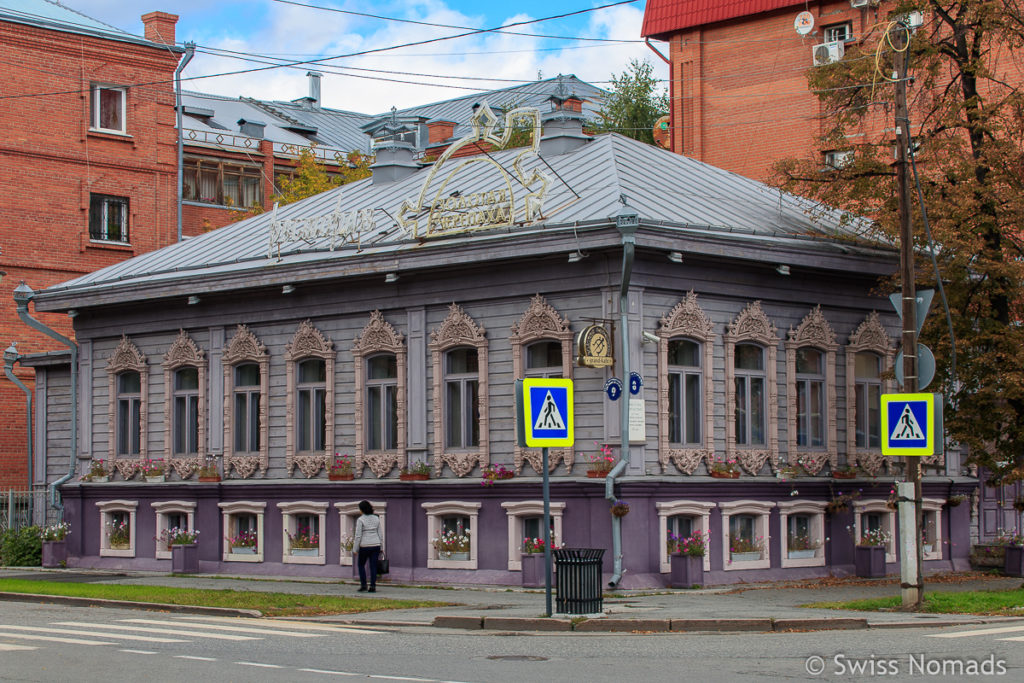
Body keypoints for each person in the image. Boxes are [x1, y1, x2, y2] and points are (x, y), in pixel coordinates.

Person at [352, 499, 384, 592]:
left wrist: (355, 549)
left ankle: (364, 585)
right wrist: (381, 547)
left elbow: (358, 535)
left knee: (361, 565)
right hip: (376, 544)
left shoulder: (360, 520)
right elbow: (380, 534)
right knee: (373, 566)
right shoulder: (376, 518)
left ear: (362, 509)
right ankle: (373, 586)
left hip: (364, 545)